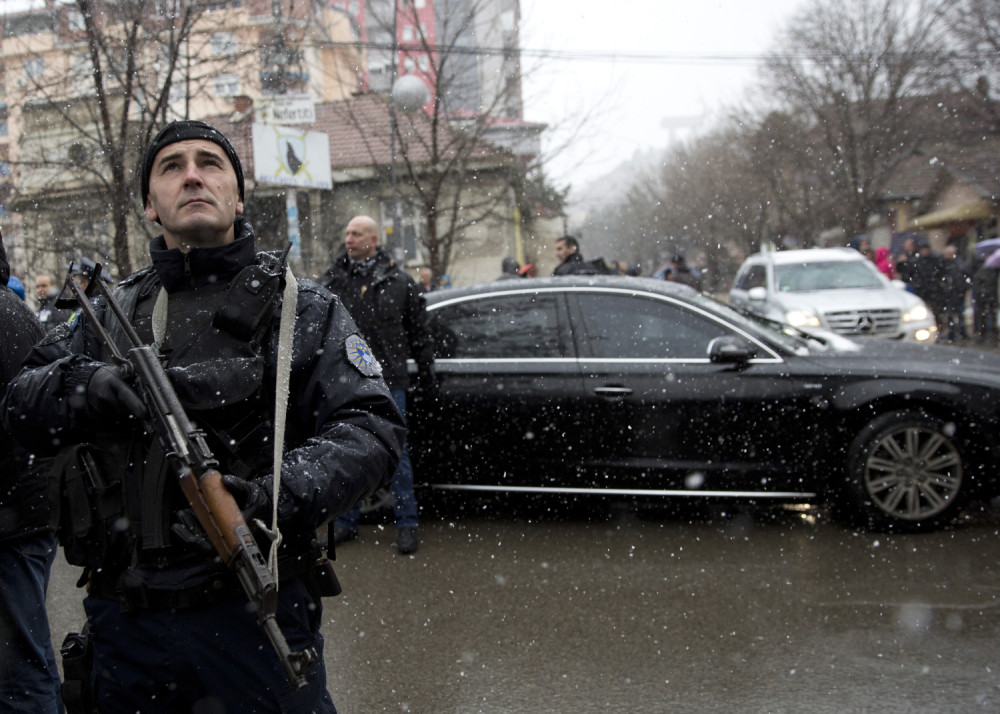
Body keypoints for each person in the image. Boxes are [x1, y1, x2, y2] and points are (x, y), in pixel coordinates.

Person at [2, 120, 405, 714]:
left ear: (238, 197)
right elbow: (18, 402)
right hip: (125, 626)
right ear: (149, 205)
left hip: (253, 621)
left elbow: (371, 428)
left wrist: (272, 495)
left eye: (210, 163)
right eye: (171, 167)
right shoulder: (108, 315)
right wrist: (86, 384)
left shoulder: (304, 309)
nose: (192, 175)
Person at [319, 215, 435, 555]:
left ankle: (407, 523)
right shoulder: (333, 279)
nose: (349, 238)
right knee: (346, 450)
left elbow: (419, 329)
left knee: (396, 453)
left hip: (389, 380)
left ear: (373, 238)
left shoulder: (398, 281)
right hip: (345, 380)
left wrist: (427, 371)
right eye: (347, 233)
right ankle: (345, 522)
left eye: (356, 233)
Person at [0, 230, 63, 714]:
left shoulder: (4, 312)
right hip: (24, 510)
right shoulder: (11, 307)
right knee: (25, 657)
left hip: (13, 516)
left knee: (18, 672)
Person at [940, 245, 971, 341]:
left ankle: (961, 332)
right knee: (950, 314)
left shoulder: (959, 262)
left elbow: (964, 274)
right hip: (949, 292)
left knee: (959, 313)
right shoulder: (943, 263)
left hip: (958, 291)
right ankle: (952, 332)